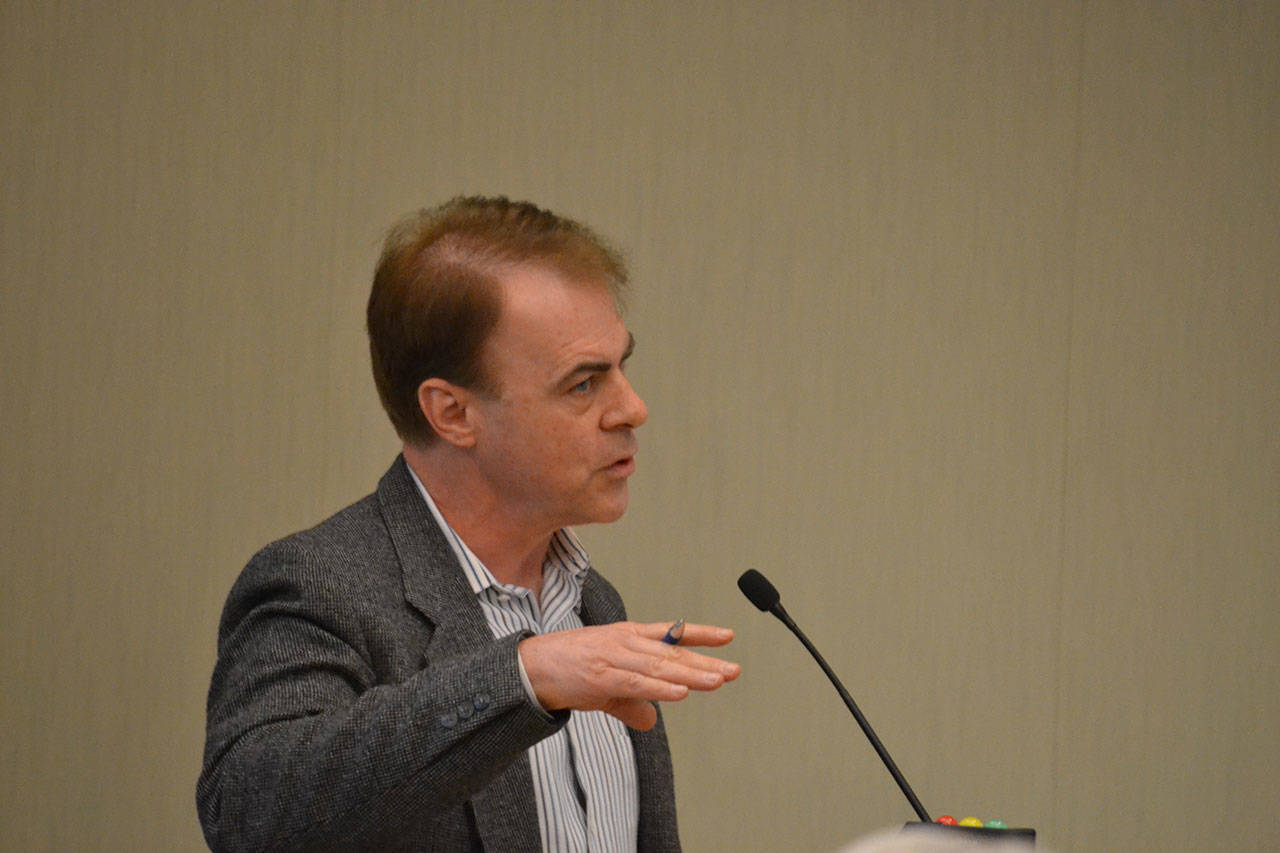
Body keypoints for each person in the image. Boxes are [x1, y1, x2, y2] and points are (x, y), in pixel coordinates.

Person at [197, 196, 740, 852]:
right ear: (452, 413)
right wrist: (522, 677)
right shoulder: (323, 586)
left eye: (622, 366)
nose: (633, 407)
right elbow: (252, 811)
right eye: (582, 385)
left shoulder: (594, 604)